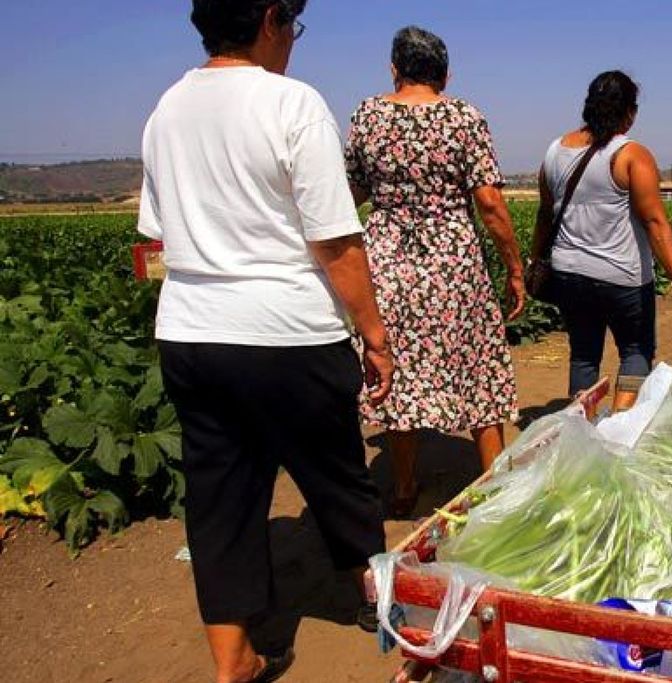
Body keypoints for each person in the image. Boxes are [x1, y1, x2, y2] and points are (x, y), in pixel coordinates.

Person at [138, 2, 394, 681]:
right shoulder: (292, 103)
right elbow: (335, 239)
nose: (292, 43)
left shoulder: (166, 110)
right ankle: (375, 596)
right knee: (336, 472)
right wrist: (374, 334)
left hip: (191, 334)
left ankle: (235, 660)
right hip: (287, 333)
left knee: (219, 496)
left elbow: (157, 233)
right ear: (271, 19)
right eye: (292, 27)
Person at [344, 26, 525, 517]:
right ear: (445, 75)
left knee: (395, 372)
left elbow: (351, 194)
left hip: (388, 264)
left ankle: (404, 489)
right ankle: (494, 491)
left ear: (394, 69)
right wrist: (514, 268)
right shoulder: (464, 117)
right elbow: (490, 203)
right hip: (453, 264)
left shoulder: (368, 115)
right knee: (479, 368)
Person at [531, 71, 672, 411]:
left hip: (569, 273)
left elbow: (544, 215)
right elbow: (655, 222)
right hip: (623, 276)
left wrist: (535, 259)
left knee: (583, 355)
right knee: (636, 350)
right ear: (630, 112)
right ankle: (621, 424)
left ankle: (582, 426)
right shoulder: (631, 154)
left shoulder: (554, 151)